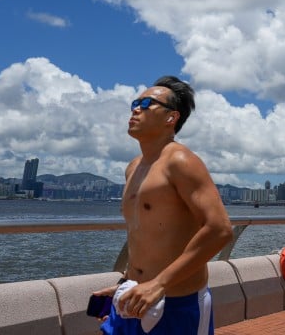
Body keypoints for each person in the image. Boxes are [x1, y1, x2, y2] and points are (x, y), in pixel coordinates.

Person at [93, 76, 233, 334]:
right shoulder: (133, 168)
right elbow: (144, 236)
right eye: (135, 103)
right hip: (134, 295)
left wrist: (159, 283)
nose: (136, 109)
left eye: (147, 103)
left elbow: (219, 229)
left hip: (176, 304)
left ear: (171, 117)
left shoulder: (181, 161)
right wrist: (126, 282)